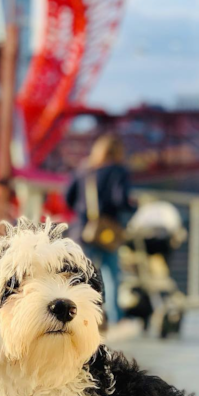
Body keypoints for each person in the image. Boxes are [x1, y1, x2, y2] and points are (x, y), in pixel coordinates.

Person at [66, 134, 135, 324]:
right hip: (106, 231)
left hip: (82, 229)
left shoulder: (83, 169)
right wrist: (132, 207)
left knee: (79, 274)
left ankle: (74, 316)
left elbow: (68, 197)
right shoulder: (118, 171)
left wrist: (84, 212)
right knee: (110, 274)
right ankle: (114, 317)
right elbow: (120, 199)